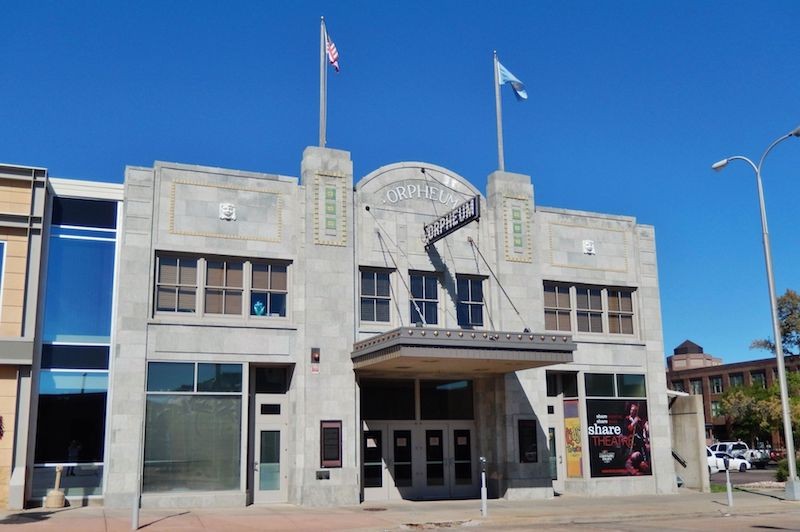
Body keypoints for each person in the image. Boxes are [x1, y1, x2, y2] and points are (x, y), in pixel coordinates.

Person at [623, 402, 650, 475]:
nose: (632, 411)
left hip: (639, 444)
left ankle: (644, 465)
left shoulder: (639, 421)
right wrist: (633, 422)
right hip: (630, 444)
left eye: (634, 410)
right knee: (631, 458)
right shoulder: (627, 419)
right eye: (631, 410)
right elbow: (628, 430)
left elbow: (642, 432)